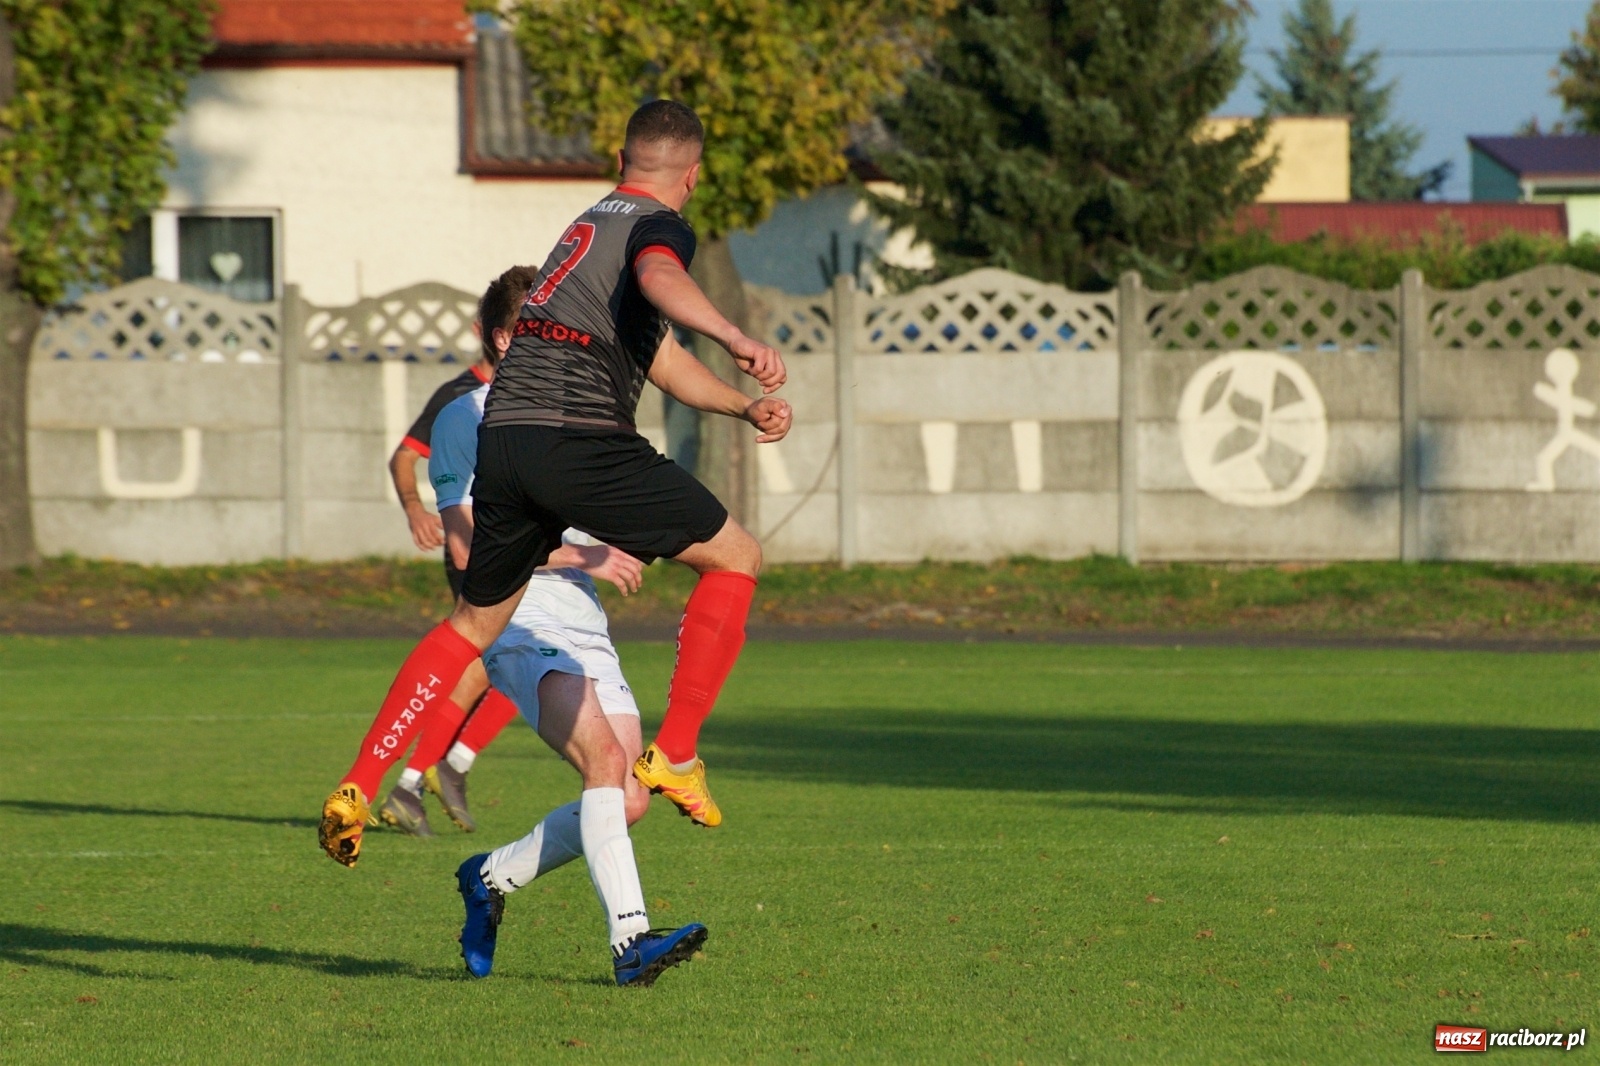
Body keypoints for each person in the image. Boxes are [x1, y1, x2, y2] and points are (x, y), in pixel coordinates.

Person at [320, 99, 792, 866]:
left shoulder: (585, 229)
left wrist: (742, 404)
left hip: (506, 441)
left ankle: (358, 785)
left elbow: (661, 360)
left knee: (473, 624)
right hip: (578, 437)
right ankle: (675, 754)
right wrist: (737, 335)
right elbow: (662, 272)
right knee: (736, 556)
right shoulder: (653, 227)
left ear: (619, 156)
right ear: (693, 177)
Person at [426, 377, 704, 986]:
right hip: (517, 616)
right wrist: (582, 557)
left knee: (629, 797)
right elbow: (469, 548)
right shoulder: (463, 419)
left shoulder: (563, 406)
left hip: (585, 621)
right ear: (505, 337)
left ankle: (490, 877)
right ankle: (631, 942)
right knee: (603, 760)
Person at [366, 269, 537, 839]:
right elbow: (403, 456)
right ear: (491, 333)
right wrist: (416, 508)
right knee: (487, 661)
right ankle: (415, 778)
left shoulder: (535, 397)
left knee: (525, 663)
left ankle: (443, 769)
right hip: (474, 541)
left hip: (516, 544)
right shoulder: (460, 398)